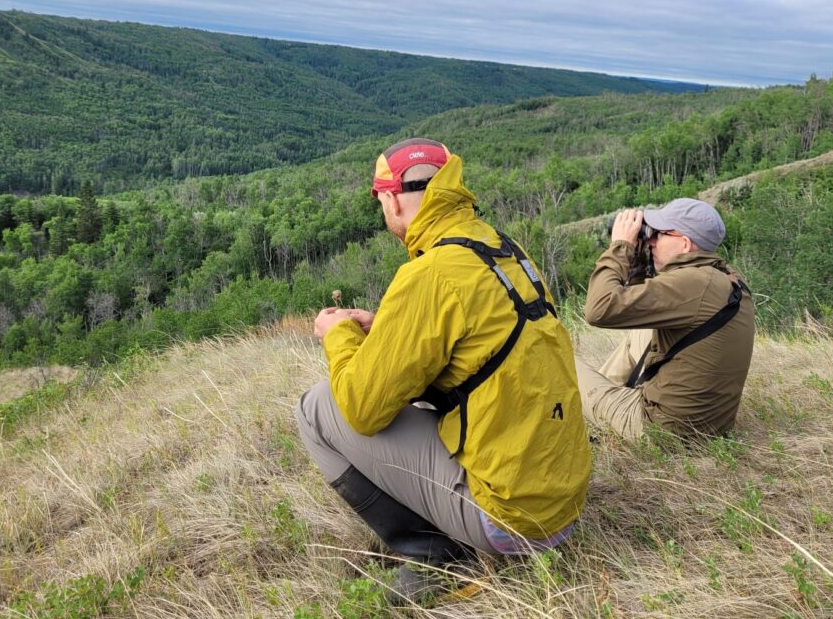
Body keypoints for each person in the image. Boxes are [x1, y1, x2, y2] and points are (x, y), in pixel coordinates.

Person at [294, 138, 590, 604]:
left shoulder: (429, 274)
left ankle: (439, 556)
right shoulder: (500, 248)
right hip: (561, 503)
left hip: (510, 518)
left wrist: (338, 335)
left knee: (318, 408)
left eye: (380, 201)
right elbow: (477, 347)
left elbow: (361, 408)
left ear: (390, 199)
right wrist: (388, 328)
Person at [576, 198, 755, 439]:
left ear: (683, 244)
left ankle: (581, 417)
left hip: (661, 431)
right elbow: (641, 309)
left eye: (658, 235)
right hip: (707, 428)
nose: (649, 240)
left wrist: (620, 247)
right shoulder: (723, 277)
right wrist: (640, 261)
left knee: (556, 355)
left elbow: (599, 310)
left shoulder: (692, 283)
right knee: (640, 334)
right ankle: (596, 409)